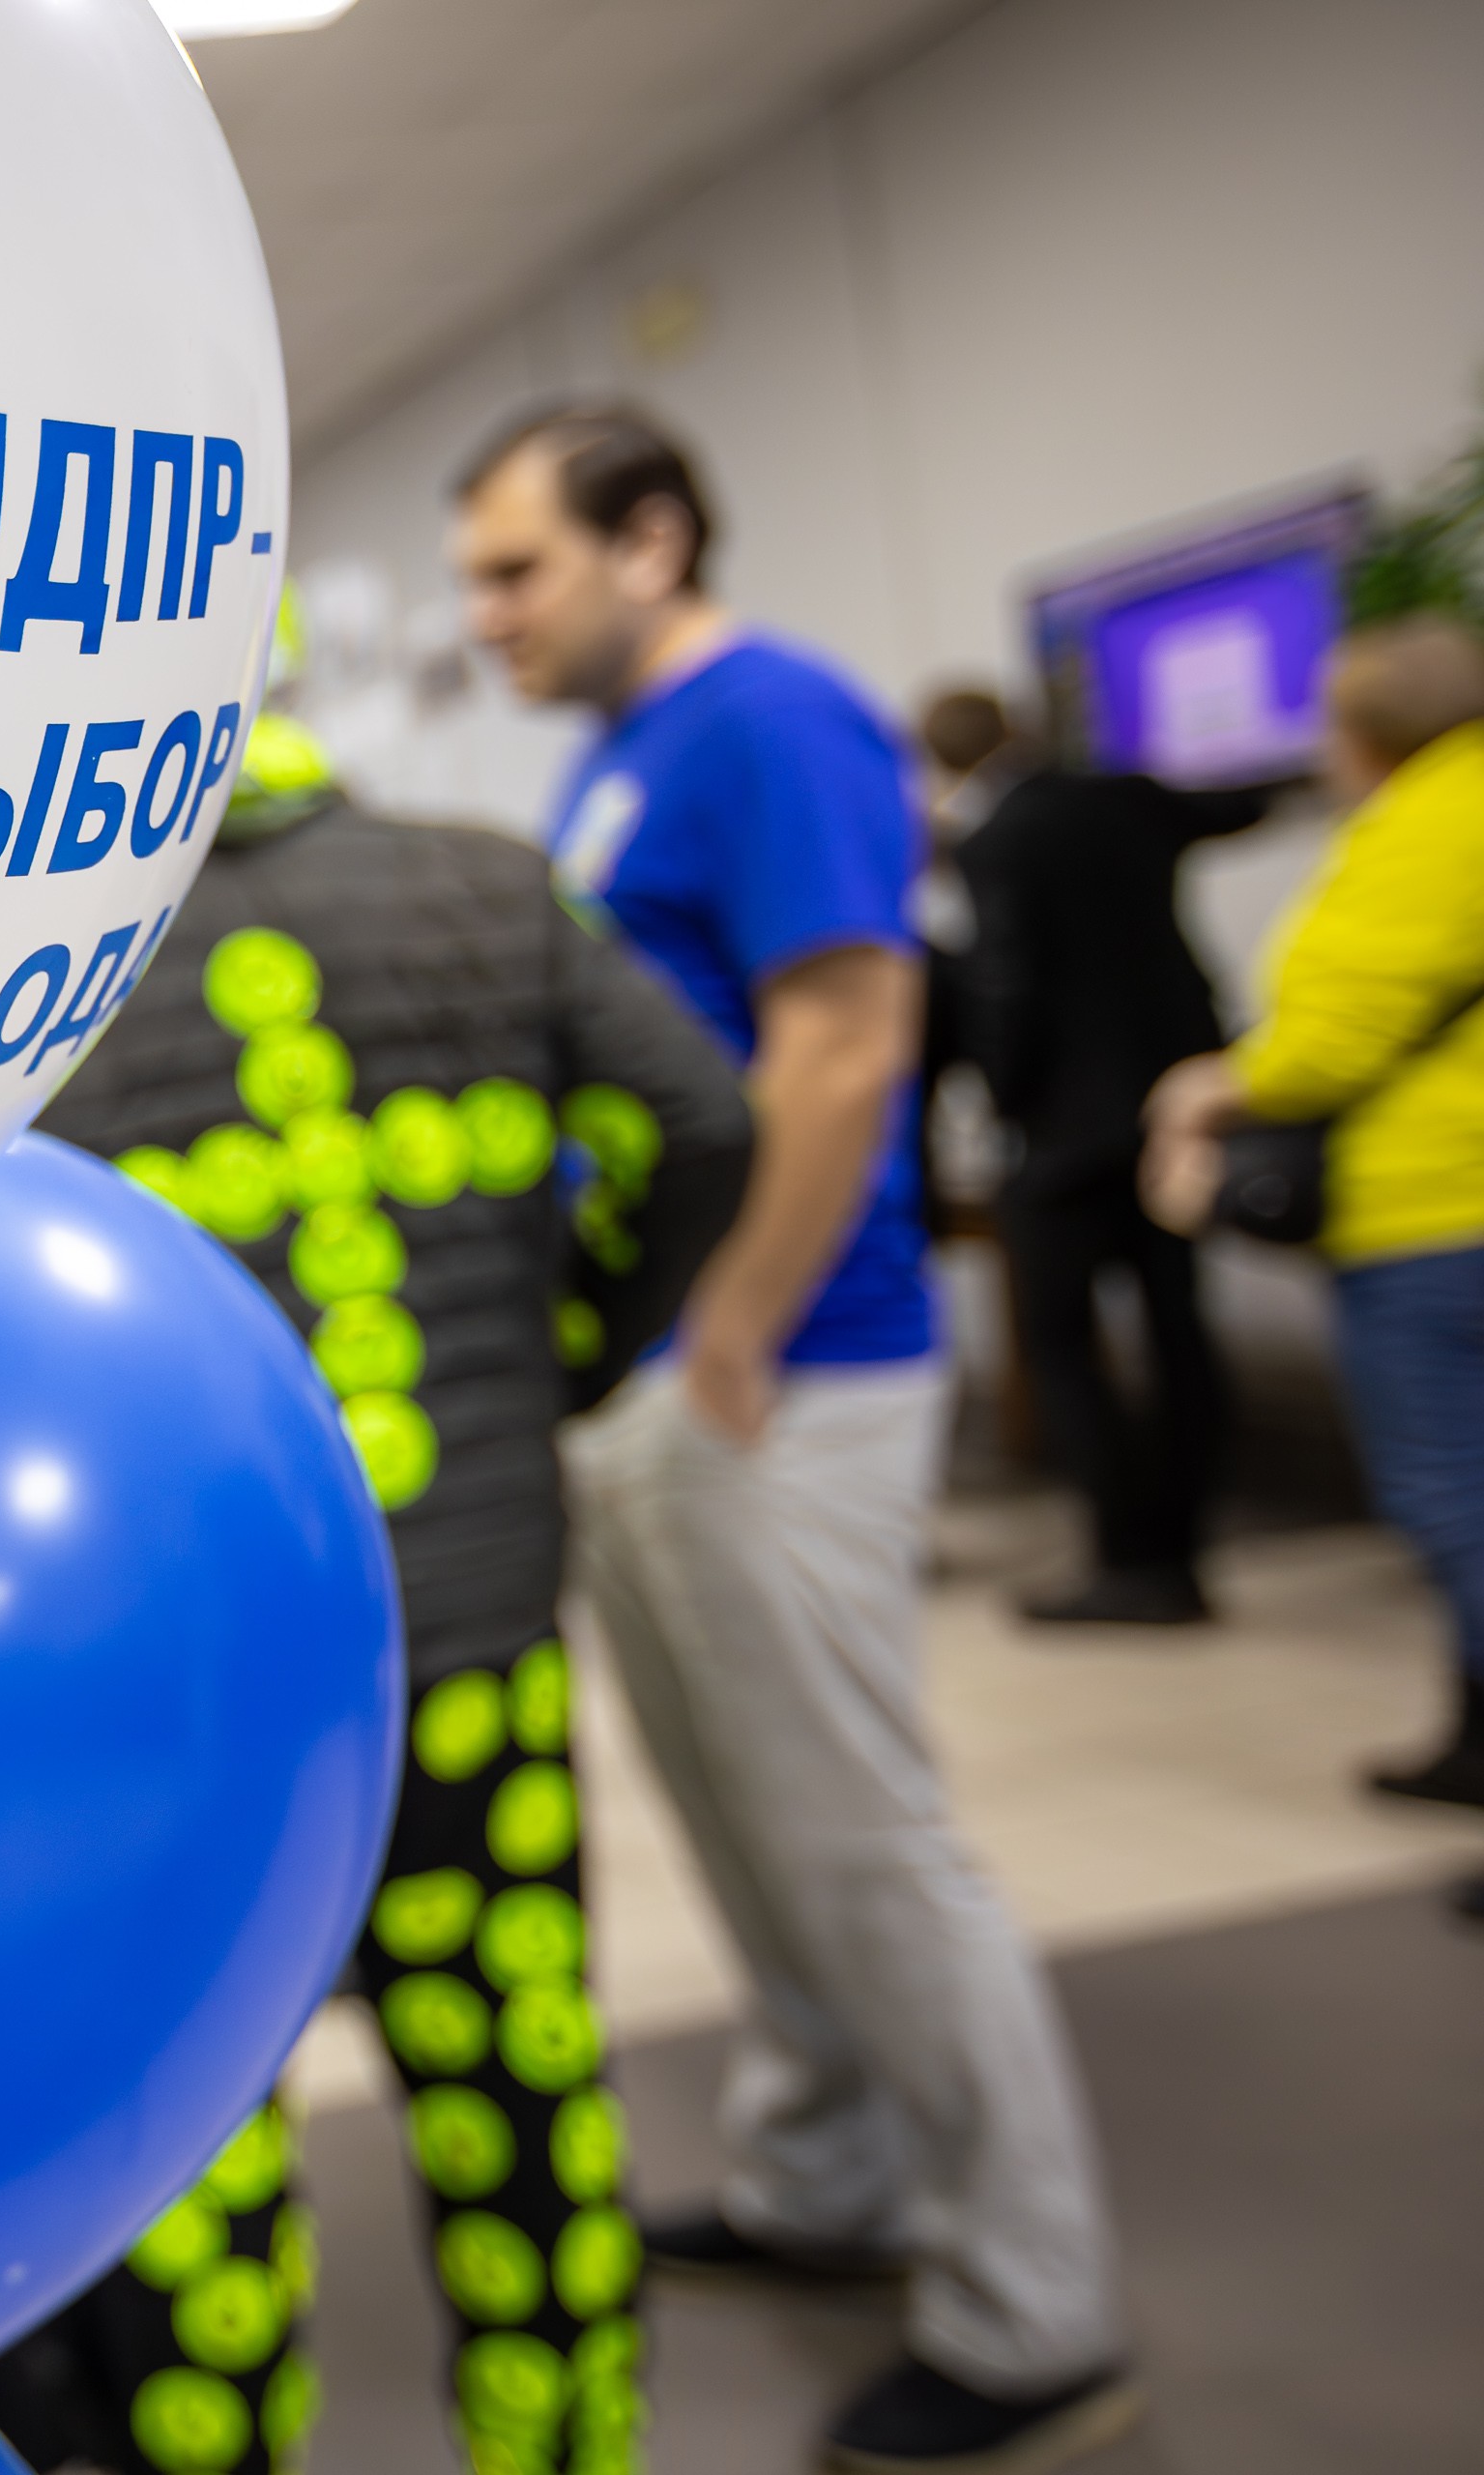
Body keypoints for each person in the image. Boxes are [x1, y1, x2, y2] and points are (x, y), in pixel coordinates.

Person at [455, 405, 1134, 2474]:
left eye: (517, 570)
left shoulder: (776, 724)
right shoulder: (632, 749)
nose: (487, 615)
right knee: (750, 1819)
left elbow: (844, 1042)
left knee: (859, 1837)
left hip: (788, 1369)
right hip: (671, 1370)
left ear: (652, 540)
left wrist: (735, 1320)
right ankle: (824, 2174)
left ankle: (1034, 2311)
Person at [0, 713, 754, 2475]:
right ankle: (565, 2449)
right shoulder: (486, 882)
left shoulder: (34, 964)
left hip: (188, 1681)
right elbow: (700, 1118)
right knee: (520, 2085)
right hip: (469, 1630)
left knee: (194, 2143)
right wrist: (569, 1350)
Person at [1144, 615, 1484, 1878]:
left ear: (1363, 733)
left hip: (1439, 1215)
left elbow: (1335, 1033)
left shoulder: (1424, 826)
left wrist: (1208, 1088)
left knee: (1454, 1501)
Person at [926, 688, 1269, 1624]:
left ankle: (1126, 1557)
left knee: (1060, 1342)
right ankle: (1185, 1551)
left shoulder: (994, 842)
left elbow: (1007, 985)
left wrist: (1003, 1097)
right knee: (1179, 1329)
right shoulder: (1128, 797)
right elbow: (1246, 804)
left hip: (1062, 1131)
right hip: (1173, 1108)